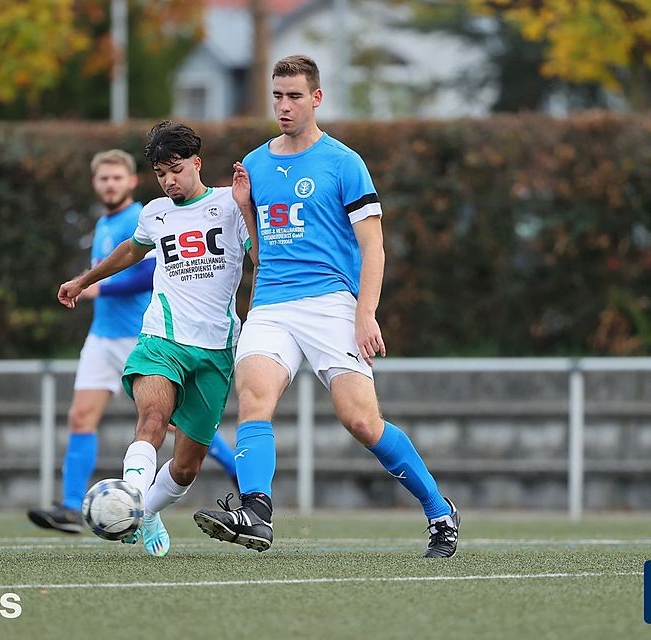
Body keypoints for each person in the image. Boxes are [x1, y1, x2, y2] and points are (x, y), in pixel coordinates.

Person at [193, 55, 461, 558]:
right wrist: (247, 208)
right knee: (254, 399)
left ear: (316, 98)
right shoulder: (252, 165)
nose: (284, 106)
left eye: (294, 96)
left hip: (331, 304)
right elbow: (260, 247)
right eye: (277, 95)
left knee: (360, 421)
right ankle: (256, 511)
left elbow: (373, 246)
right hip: (271, 303)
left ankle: (440, 512)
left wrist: (365, 313)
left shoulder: (344, 162)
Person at [57, 122, 258, 556]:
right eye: (160, 172)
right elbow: (132, 250)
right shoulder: (154, 213)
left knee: (187, 467)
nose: (169, 180)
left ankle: (144, 510)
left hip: (216, 351)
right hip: (161, 339)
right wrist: (84, 280)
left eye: (176, 169)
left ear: (197, 164)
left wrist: (244, 208)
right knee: (151, 422)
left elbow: (260, 259)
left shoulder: (229, 204)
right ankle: (127, 503)